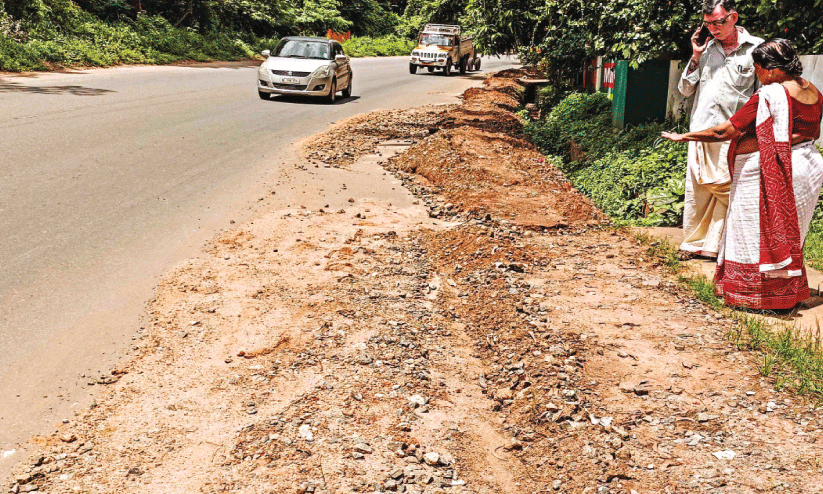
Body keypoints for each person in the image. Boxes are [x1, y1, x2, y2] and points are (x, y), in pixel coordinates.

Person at [662, 39, 823, 310]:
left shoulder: (771, 94)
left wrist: (685, 136)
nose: (757, 75)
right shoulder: (814, 92)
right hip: (808, 168)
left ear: (772, 69)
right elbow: (810, 132)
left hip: (773, 169)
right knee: (789, 231)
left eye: (758, 68)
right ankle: (786, 292)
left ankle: (755, 295)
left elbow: (724, 131)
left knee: (755, 232)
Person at [677, 0, 763, 258]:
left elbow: (762, 93)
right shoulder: (706, 49)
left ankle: (723, 247)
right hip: (702, 129)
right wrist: (695, 56)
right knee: (698, 191)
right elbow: (685, 89)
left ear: (733, 17)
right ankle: (694, 244)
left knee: (729, 188)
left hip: (735, 133)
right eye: (708, 24)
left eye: (718, 22)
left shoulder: (757, 49)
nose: (713, 28)